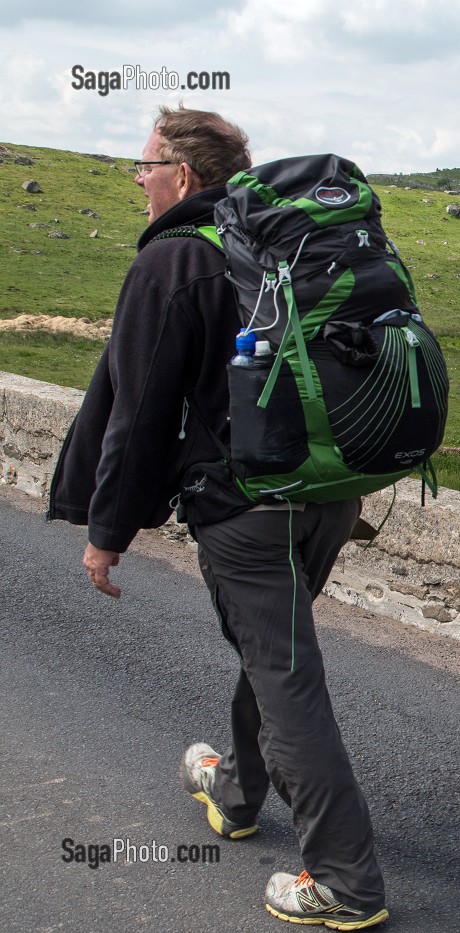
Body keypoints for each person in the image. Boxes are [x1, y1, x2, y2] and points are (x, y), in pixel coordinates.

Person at [47, 106, 388, 930]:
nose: (137, 177)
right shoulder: (276, 246)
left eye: (146, 164)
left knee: (283, 672)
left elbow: (136, 414)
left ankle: (346, 879)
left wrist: (105, 533)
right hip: (331, 494)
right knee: (274, 650)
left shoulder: (171, 263)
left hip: (246, 507)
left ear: (184, 178)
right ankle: (235, 790)